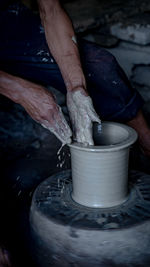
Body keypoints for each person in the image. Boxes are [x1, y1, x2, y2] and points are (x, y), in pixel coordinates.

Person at [0, 0, 150, 155]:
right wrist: (20, 91)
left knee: (98, 66)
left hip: (8, 21)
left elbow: (51, 10)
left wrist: (76, 87)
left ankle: (146, 142)